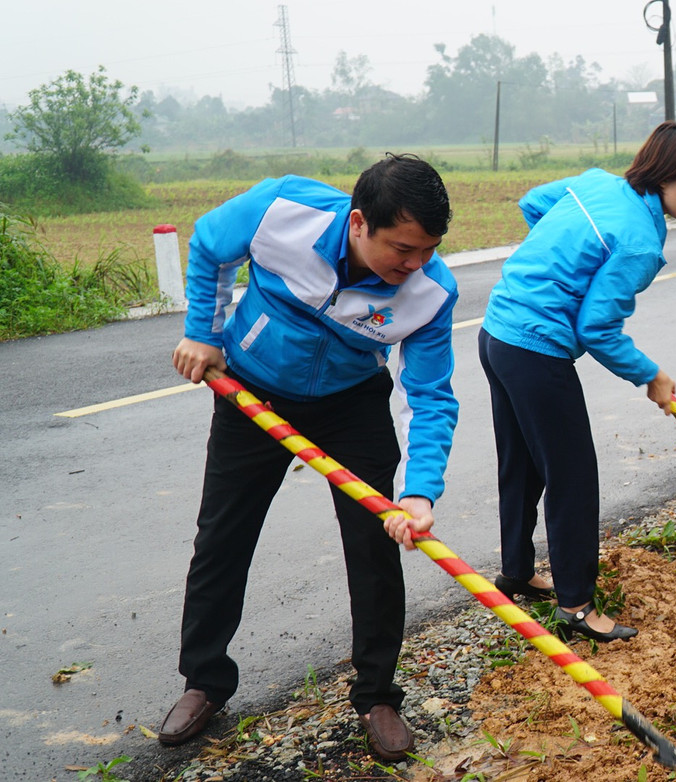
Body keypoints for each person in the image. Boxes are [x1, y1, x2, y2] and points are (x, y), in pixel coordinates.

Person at [159, 153, 459, 764]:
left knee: (375, 547)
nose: (414, 264)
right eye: (402, 248)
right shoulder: (283, 210)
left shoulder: (429, 293)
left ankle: (377, 695)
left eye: (427, 249)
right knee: (222, 537)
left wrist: (419, 492)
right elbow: (211, 246)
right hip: (253, 389)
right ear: (357, 223)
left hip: (351, 403)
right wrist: (204, 332)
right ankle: (205, 680)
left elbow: (429, 396)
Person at [479, 121, 676, 642]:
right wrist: (650, 375)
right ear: (667, 172)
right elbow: (597, 329)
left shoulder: (595, 182)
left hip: (496, 332)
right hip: (535, 350)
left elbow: (531, 203)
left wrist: (551, 263)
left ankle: (516, 573)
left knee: (521, 462)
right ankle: (576, 606)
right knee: (572, 476)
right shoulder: (639, 241)